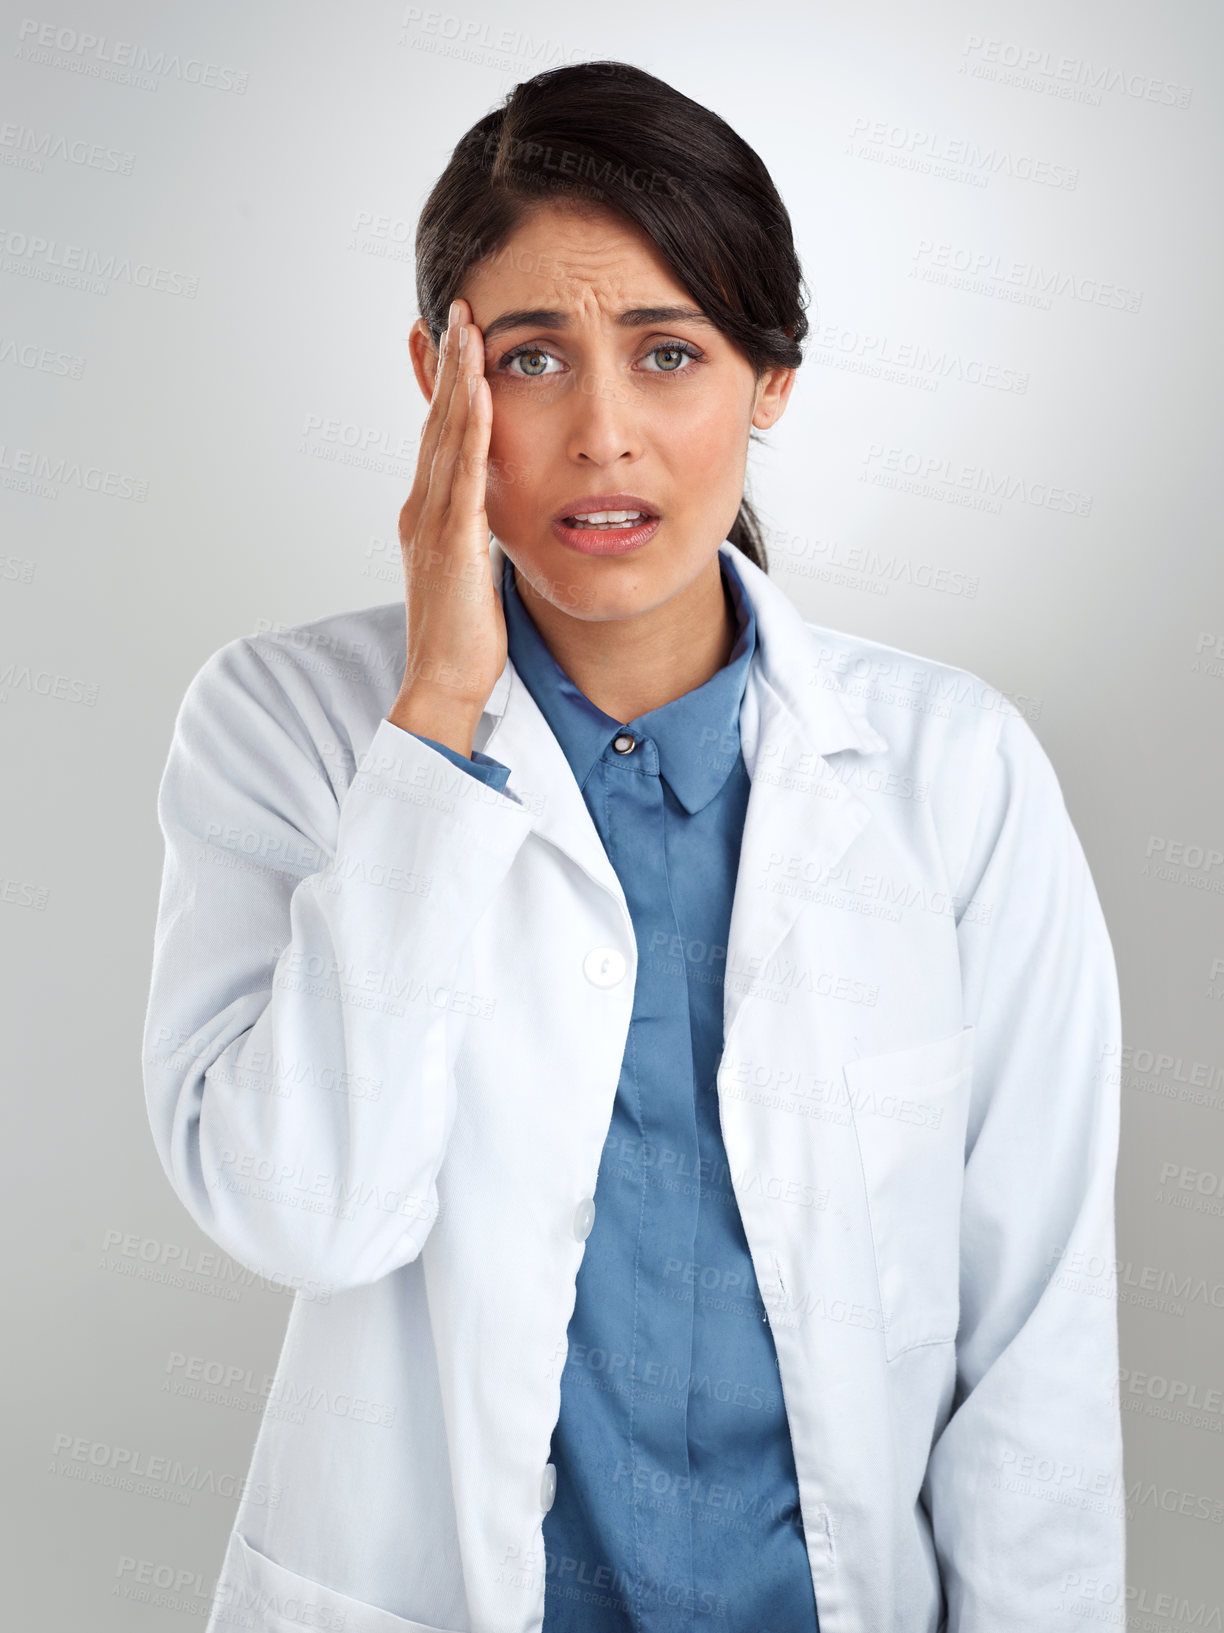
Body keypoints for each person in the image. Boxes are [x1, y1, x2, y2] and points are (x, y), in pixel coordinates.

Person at [143, 60, 1125, 1633]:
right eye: (530, 359)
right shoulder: (289, 725)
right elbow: (306, 1209)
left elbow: (1036, 1341)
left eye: (669, 352)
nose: (603, 434)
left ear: (771, 380)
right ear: (437, 379)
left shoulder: (958, 775)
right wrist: (438, 719)